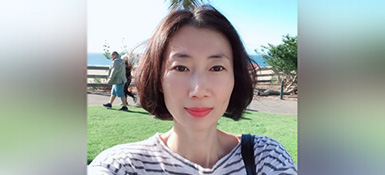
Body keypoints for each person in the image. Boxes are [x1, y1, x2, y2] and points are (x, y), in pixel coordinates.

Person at [89, 5, 297, 174]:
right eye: (181, 68)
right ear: (159, 79)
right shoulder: (123, 166)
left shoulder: (265, 158)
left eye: (216, 68)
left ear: (235, 77)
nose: (198, 91)